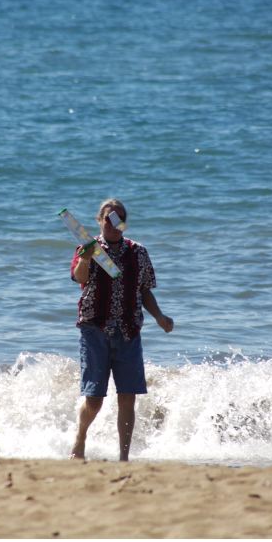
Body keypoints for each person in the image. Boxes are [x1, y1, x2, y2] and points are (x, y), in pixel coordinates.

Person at [69, 198, 173, 462]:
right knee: (94, 399)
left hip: (129, 330)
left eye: (119, 219)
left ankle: (124, 457)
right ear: (99, 220)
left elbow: (144, 290)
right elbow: (80, 279)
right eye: (108, 218)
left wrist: (159, 317)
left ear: (124, 223)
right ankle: (80, 439)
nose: (113, 224)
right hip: (95, 328)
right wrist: (85, 259)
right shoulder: (88, 247)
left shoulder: (138, 252)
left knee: (128, 397)